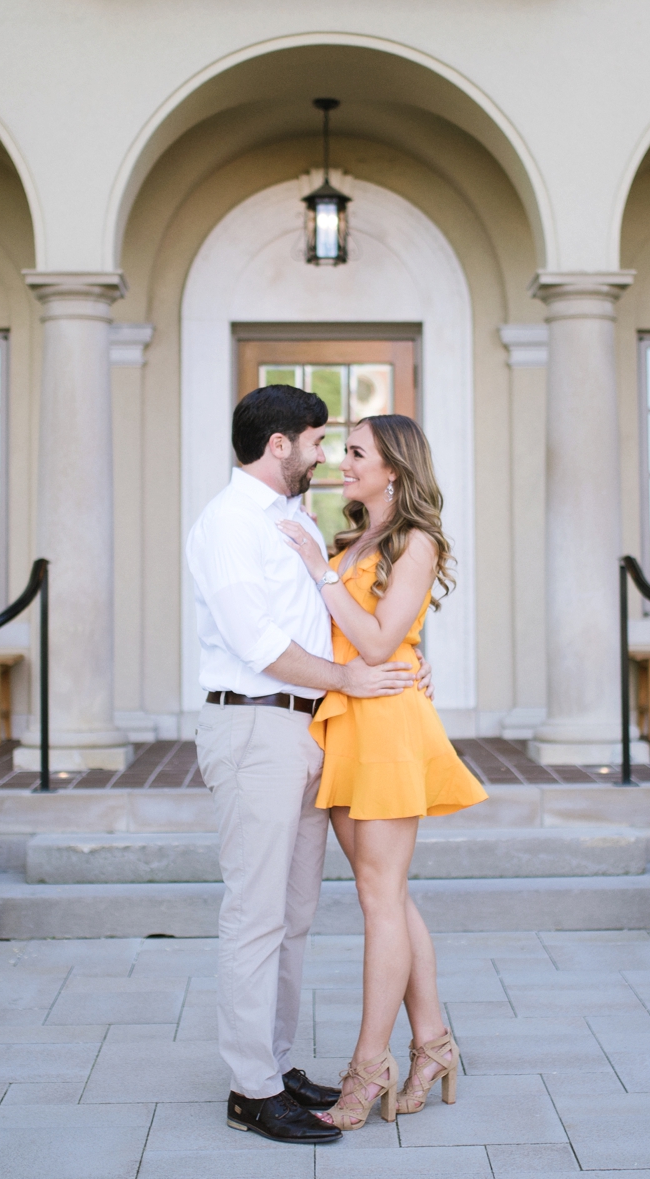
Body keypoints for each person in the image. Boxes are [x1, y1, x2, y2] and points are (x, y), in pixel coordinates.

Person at [185, 384, 428, 1146]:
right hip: (254, 727)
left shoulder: (292, 520)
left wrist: (403, 664)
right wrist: (350, 679)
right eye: (320, 441)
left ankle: (275, 1064)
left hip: (307, 731)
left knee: (292, 917)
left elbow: (344, 618)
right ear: (281, 443)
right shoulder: (227, 524)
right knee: (255, 914)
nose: (327, 456)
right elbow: (260, 644)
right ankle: (250, 1090)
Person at [276, 413, 487, 1130]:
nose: (342, 461)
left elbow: (374, 641)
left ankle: (371, 1066)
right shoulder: (350, 537)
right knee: (386, 894)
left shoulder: (416, 541)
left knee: (378, 898)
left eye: (357, 452)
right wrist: (328, 569)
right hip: (344, 724)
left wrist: (321, 573)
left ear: (393, 468)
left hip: (389, 728)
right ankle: (433, 1044)